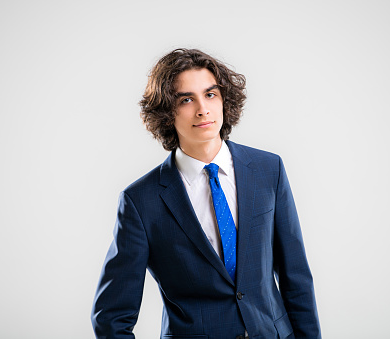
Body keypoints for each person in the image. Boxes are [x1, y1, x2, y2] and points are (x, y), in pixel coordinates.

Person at [91, 48, 321, 339]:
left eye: (210, 95)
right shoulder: (141, 201)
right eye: (186, 99)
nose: (203, 109)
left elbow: (296, 278)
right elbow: (111, 317)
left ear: (224, 99)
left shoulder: (268, 169)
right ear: (166, 111)